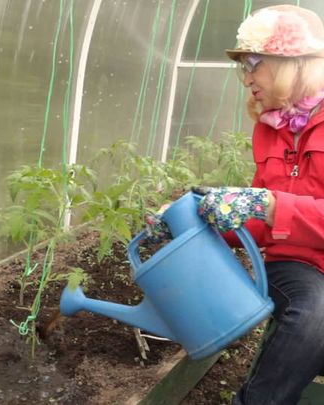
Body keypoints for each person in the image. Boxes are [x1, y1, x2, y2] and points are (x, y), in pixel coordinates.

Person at [149, 5, 324, 404]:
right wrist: (195, 222)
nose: (246, 79)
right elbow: (259, 225)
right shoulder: (271, 129)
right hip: (297, 266)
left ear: (290, 64)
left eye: (253, 65)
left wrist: (270, 204)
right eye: (243, 67)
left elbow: (269, 208)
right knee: (315, 315)